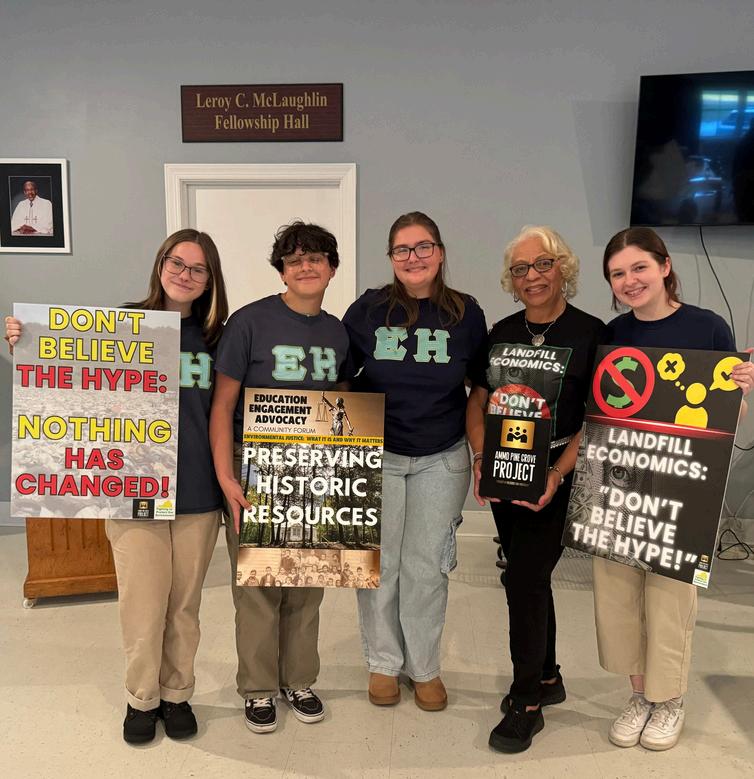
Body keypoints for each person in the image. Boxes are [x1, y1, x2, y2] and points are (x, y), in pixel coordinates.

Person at [4, 228, 229, 745]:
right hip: (135, 489)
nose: (185, 274)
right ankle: (142, 699)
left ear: (210, 279)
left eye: (198, 268)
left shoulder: (220, 338)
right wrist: (26, 342)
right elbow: (69, 376)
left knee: (184, 606)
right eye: (177, 262)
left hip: (198, 491)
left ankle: (177, 694)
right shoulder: (126, 325)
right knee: (142, 605)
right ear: (160, 264)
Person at [594, 226, 754, 751]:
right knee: (618, 592)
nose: (630, 280)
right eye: (618, 274)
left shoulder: (708, 328)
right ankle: (639, 694)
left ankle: (669, 699)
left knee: (670, 596)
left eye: (639, 267)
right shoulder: (612, 335)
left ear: (664, 267)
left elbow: (731, 414)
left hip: (685, 483)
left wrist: (741, 391)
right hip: (621, 479)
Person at [466, 225, 605, 752]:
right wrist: (481, 457)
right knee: (529, 576)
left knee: (523, 579)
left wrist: (557, 472)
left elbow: (597, 417)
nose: (532, 276)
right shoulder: (501, 331)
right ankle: (547, 676)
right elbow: (478, 400)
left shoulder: (591, 333)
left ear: (562, 267)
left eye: (543, 264)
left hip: (557, 473)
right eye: (521, 269)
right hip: (504, 469)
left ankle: (526, 702)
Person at [343, 211, 487, 712]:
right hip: (377, 454)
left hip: (441, 458)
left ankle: (424, 667)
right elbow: (341, 377)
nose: (413, 257)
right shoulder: (368, 310)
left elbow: (480, 387)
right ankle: (383, 663)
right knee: (379, 564)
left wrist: (482, 451)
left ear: (440, 253)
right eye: (402, 249)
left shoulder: (466, 313)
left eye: (423, 247)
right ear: (391, 258)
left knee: (427, 568)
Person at [209, 220, 349, 734]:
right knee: (259, 584)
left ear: (332, 268)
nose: (305, 266)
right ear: (282, 271)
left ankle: (299, 680)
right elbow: (222, 406)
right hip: (254, 466)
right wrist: (227, 477)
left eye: (315, 258)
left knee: (308, 582)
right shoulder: (249, 322)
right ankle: (258, 687)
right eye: (294, 260)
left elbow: (341, 403)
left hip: (316, 468)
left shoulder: (338, 332)